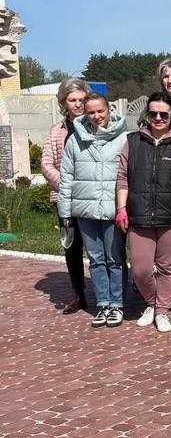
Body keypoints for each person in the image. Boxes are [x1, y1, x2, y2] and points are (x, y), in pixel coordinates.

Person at [115, 92, 171, 333]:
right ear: (147, 115)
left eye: (164, 114)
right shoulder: (132, 142)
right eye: (153, 114)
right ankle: (153, 302)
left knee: (167, 266)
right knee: (140, 269)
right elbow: (122, 178)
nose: (158, 118)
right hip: (139, 215)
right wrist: (121, 208)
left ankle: (161, 310)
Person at [57, 93, 128, 327]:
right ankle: (103, 303)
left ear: (109, 110)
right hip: (85, 210)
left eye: (100, 111)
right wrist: (65, 213)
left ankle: (117, 304)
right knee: (96, 260)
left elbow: (129, 176)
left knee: (115, 258)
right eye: (91, 112)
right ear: (85, 114)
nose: (96, 116)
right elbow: (66, 178)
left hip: (113, 209)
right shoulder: (74, 140)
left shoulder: (123, 138)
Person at [43, 78, 90, 314]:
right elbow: (46, 164)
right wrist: (65, 185)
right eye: (72, 100)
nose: (78, 104)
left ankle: (108, 295)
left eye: (82, 99)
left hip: (92, 197)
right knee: (72, 247)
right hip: (65, 199)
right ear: (64, 103)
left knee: (100, 247)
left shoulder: (96, 125)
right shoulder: (56, 131)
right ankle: (78, 294)